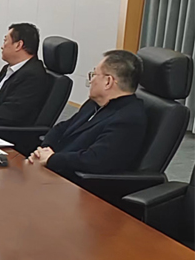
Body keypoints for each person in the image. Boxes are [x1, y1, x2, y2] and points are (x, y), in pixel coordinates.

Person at [28, 50, 147, 180]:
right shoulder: (94, 103)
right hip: (53, 169)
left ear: (108, 81)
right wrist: (44, 150)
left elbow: (95, 160)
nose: (90, 81)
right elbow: (62, 128)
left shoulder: (128, 119)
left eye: (94, 75)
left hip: (75, 182)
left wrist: (52, 159)